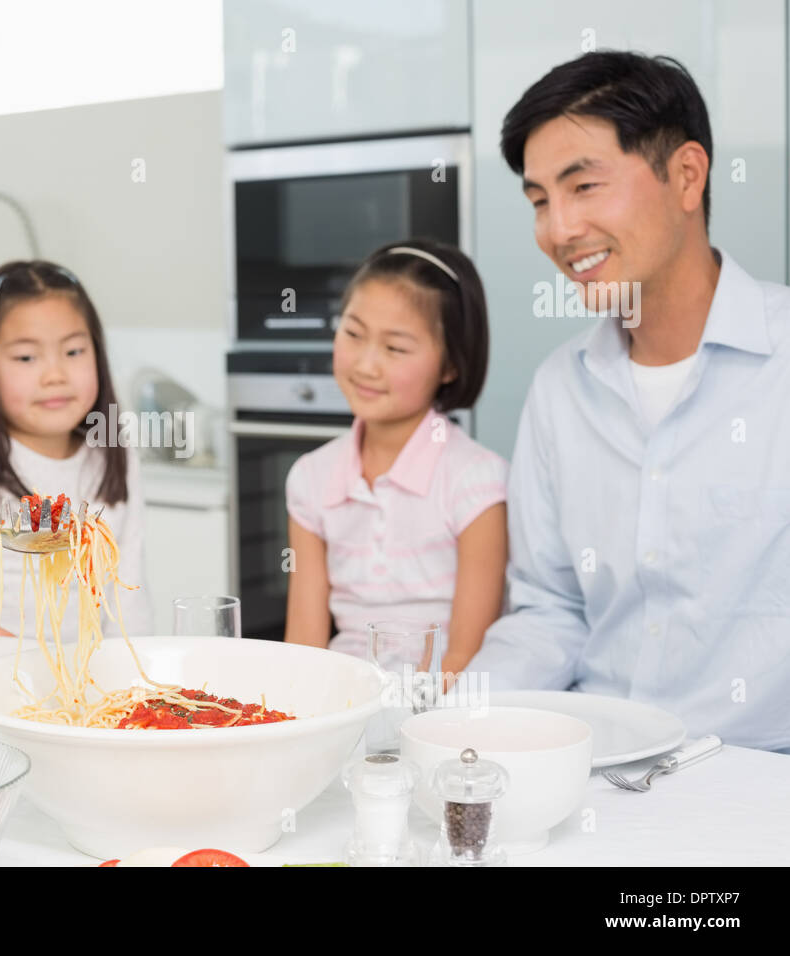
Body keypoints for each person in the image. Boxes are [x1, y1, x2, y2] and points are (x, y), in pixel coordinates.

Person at [466, 51, 790, 752]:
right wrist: (457, 720)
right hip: (596, 770)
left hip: (758, 789)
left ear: (687, 176)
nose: (558, 230)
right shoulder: (561, 388)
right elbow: (550, 611)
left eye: (584, 186)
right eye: (540, 201)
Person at [283, 239, 507, 677]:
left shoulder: (477, 481)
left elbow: (465, 658)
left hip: (439, 713)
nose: (366, 365)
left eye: (396, 348)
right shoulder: (311, 478)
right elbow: (304, 647)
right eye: (352, 334)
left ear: (450, 366)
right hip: (344, 705)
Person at [0, 260, 152, 641]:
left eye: (74, 351)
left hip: (92, 688)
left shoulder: (114, 450)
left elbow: (130, 592)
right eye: (26, 358)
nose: (55, 375)